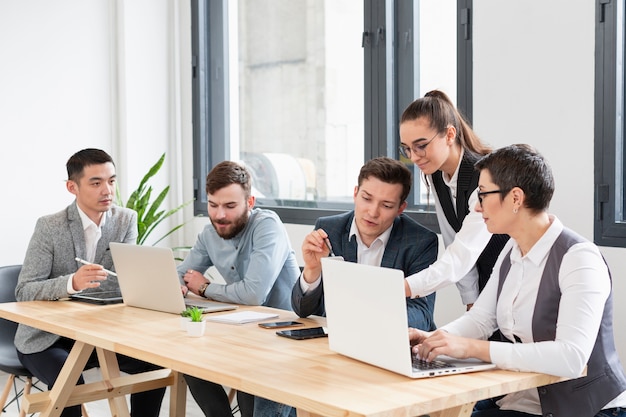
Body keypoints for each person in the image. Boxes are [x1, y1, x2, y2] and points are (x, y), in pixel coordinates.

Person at [410, 144, 626, 417]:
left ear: (515, 198)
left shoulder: (579, 259)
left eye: (483, 194)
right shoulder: (511, 252)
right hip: (522, 400)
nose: (476, 206)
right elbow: (481, 319)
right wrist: (433, 340)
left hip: (588, 410)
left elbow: (571, 357)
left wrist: (473, 348)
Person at [15, 148, 165, 417]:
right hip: (48, 339)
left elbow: (123, 282)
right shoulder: (49, 227)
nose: (107, 190)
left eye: (111, 181)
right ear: (72, 187)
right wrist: (71, 282)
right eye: (96, 183)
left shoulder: (125, 220)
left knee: (153, 365)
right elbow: (24, 291)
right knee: (70, 381)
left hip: (100, 336)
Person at [176, 160, 300, 417]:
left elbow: (253, 295)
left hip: (282, 335)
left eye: (230, 206)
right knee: (186, 355)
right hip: (242, 330)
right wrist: (176, 285)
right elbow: (181, 273)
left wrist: (205, 287)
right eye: (213, 205)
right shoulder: (209, 234)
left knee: (250, 392)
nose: (220, 215)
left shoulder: (267, 227)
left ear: (250, 202)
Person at [292, 156, 439, 330]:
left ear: (400, 209)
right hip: (337, 343)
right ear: (355, 193)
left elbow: (422, 315)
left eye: (386, 205)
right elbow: (302, 310)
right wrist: (312, 270)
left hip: (392, 343)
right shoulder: (328, 230)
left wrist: (366, 318)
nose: (373, 212)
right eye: (367, 199)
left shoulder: (420, 241)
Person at [399, 90, 509, 308]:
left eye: (421, 146)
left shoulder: (484, 177)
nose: (413, 157)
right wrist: (470, 300)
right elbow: (453, 239)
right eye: (406, 149)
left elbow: (462, 255)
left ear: (449, 135)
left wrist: (401, 287)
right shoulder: (436, 174)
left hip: (509, 280)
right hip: (483, 286)